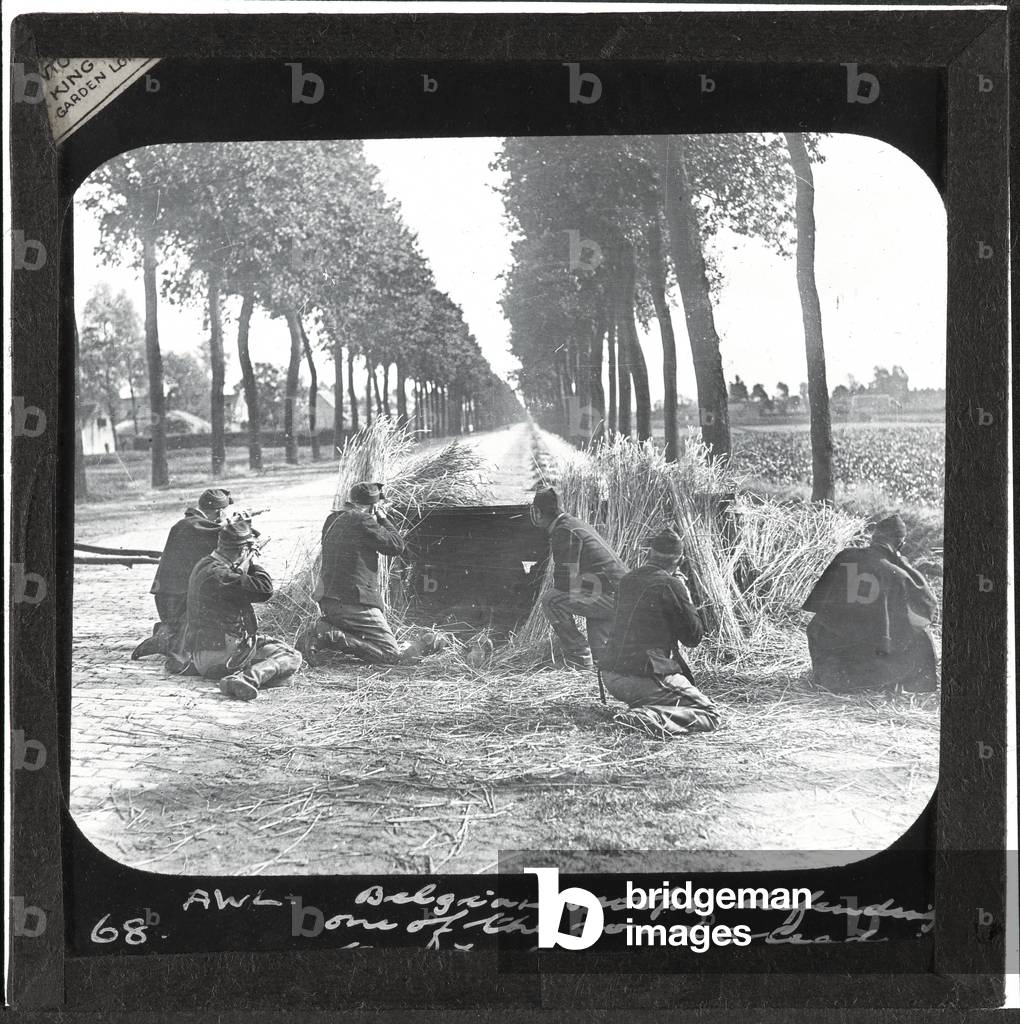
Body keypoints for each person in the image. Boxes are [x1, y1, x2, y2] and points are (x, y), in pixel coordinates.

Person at [298, 481, 443, 666]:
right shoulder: (362, 520)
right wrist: (382, 518)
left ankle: (329, 631)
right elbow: (396, 545)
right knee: (390, 655)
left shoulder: (332, 519)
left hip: (329, 602)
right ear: (374, 505)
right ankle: (327, 633)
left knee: (370, 642)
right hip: (353, 604)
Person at [599, 527, 721, 737]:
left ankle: (647, 710)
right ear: (680, 561)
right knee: (709, 715)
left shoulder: (627, 580)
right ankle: (645, 718)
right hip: (642, 677)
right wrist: (686, 595)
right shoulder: (671, 585)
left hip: (611, 676)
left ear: (648, 554)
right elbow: (693, 637)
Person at [802, 513, 938, 694]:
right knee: (922, 635)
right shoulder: (896, 574)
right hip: (871, 661)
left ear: (873, 538)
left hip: (834, 658)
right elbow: (926, 607)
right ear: (900, 544)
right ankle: (912, 688)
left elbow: (818, 603)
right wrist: (903, 565)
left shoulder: (845, 556)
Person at [175, 516, 301, 701]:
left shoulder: (204, 565)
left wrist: (244, 563)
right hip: (224, 655)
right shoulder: (221, 575)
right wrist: (252, 564)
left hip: (201, 654)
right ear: (243, 549)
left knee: (285, 678)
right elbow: (265, 590)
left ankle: (248, 676)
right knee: (292, 657)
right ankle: (246, 678)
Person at [131, 487, 234, 661]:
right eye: (223, 512)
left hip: (168, 593)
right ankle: (164, 642)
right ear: (219, 511)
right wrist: (233, 524)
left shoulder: (190, 523)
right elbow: (223, 536)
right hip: (176, 596)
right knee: (193, 634)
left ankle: (164, 635)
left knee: (175, 626)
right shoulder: (192, 525)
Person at [530, 487, 627, 669]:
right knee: (600, 658)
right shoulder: (573, 524)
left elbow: (566, 582)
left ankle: (579, 655)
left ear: (537, 512)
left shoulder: (564, 531)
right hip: (620, 595)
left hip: (613, 597)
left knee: (551, 600)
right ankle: (593, 661)